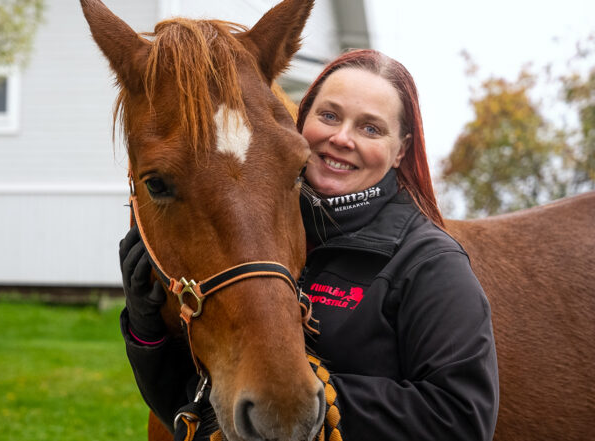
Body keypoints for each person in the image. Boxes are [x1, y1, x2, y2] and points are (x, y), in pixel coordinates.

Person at [119, 49, 499, 440]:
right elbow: (193, 410)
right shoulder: (256, 236)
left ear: (400, 150)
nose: (342, 138)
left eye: (371, 128)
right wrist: (147, 333)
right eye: (329, 116)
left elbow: (463, 420)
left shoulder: (431, 263)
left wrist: (311, 400)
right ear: (301, 121)